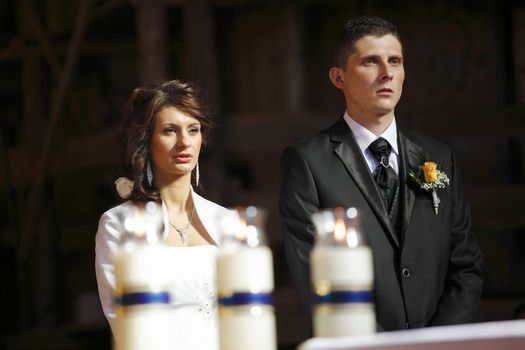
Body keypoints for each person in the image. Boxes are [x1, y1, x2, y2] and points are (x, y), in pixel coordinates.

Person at [279, 15, 483, 331]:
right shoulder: (307, 162)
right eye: (370, 62)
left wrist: (442, 340)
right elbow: (312, 275)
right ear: (338, 77)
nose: (387, 73)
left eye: (395, 61)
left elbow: (466, 266)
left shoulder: (439, 157)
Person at [95, 80, 229, 349]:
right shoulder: (120, 224)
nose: (184, 142)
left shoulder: (224, 220)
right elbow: (125, 322)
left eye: (193, 130)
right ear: (146, 140)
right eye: (170, 130)